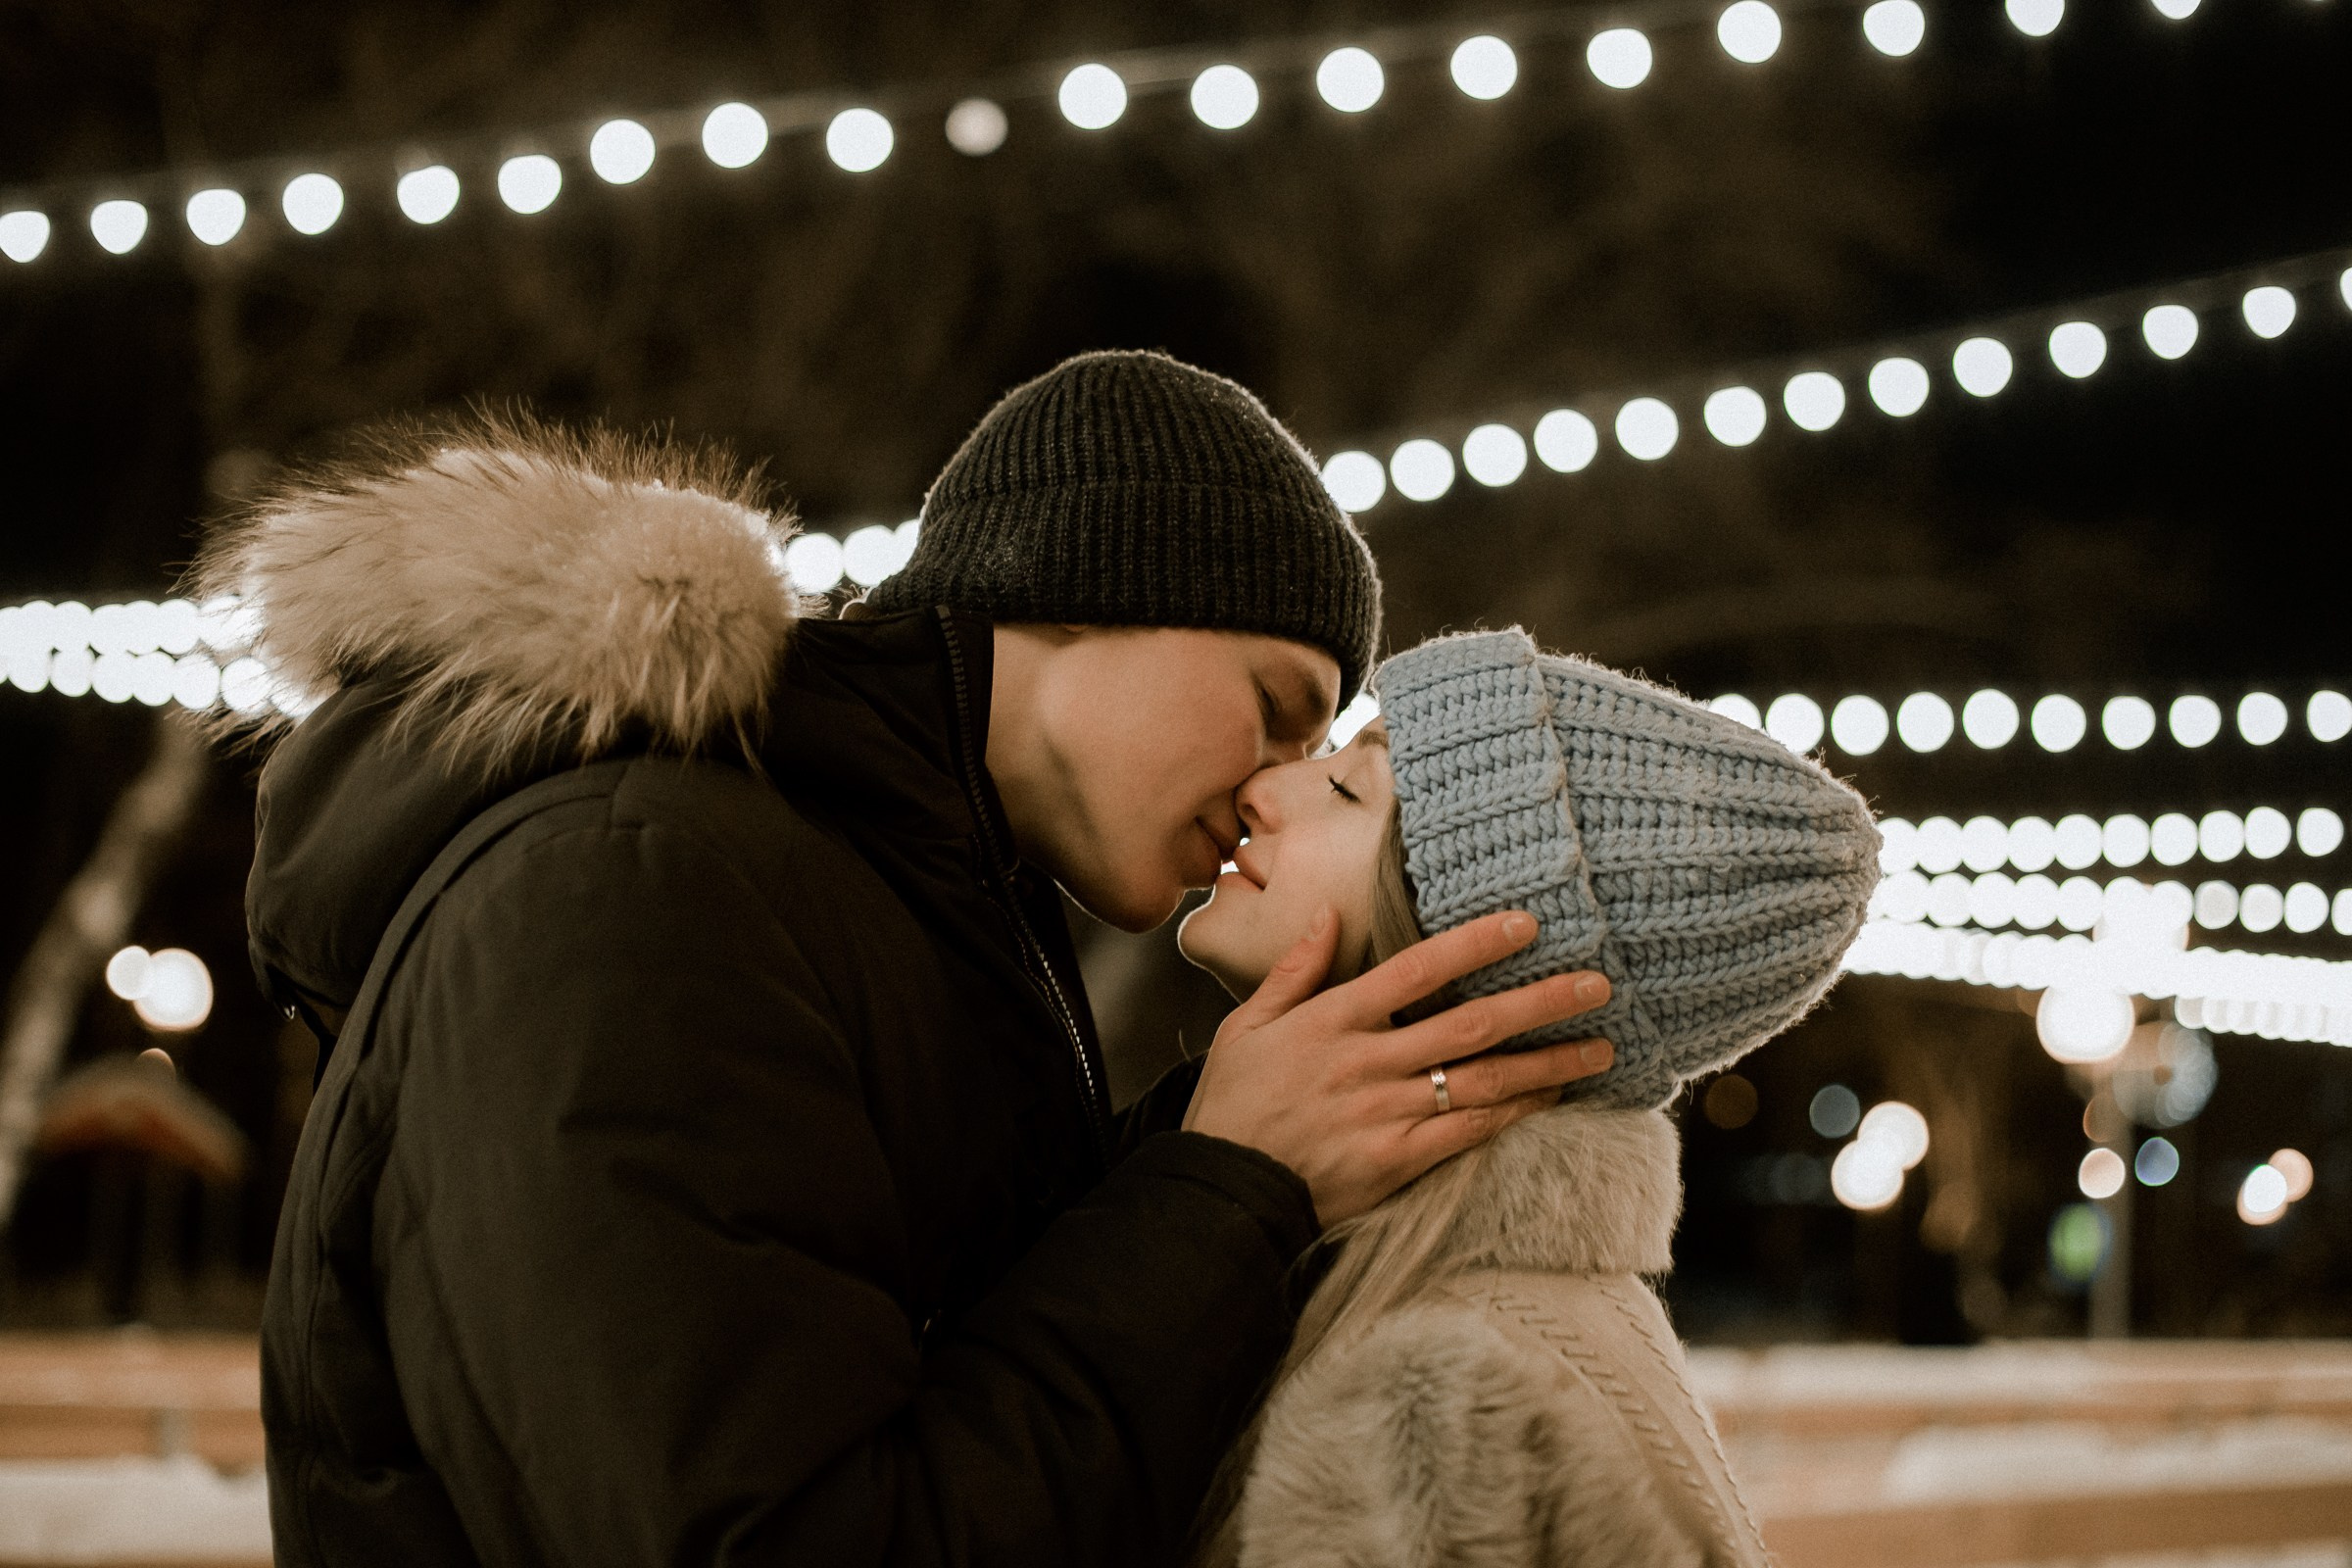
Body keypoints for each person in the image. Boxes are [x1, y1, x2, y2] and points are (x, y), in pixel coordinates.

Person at [199, 352, 1617, 1567]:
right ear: (1083, 583)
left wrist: (1233, 1147)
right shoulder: (635, 890)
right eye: (1274, 708)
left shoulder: (907, 904)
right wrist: (1224, 1190)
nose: (1274, 790)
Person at [1176, 628, 1882, 1568]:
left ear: (1473, 961)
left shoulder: (1430, 1403)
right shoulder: (1524, 1328)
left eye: (1347, 786)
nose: (1264, 788)